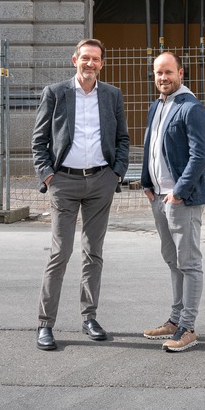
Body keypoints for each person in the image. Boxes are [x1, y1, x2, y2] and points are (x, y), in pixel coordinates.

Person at [32, 38, 130, 351]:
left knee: (94, 253)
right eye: (85, 58)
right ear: (75, 60)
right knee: (60, 253)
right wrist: (49, 175)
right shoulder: (56, 93)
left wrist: (116, 173)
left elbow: (122, 138)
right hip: (65, 183)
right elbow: (39, 141)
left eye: (96, 59)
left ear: (102, 63)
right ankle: (46, 324)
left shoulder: (112, 95)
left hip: (101, 182)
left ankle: (89, 317)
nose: (90, 64)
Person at [141, 51, 205, 353]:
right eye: (158, 73)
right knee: (173, 261)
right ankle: (175, 318)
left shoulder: (190, 107)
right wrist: (146, 181)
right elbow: (151, 146)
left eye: (168, 72)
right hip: (159, 196)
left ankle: (188, 327)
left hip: (182, 200)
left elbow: (200, 155)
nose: (163, 78)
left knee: (189, 263)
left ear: (181, 73)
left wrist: (180, 191)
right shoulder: (156, 106)